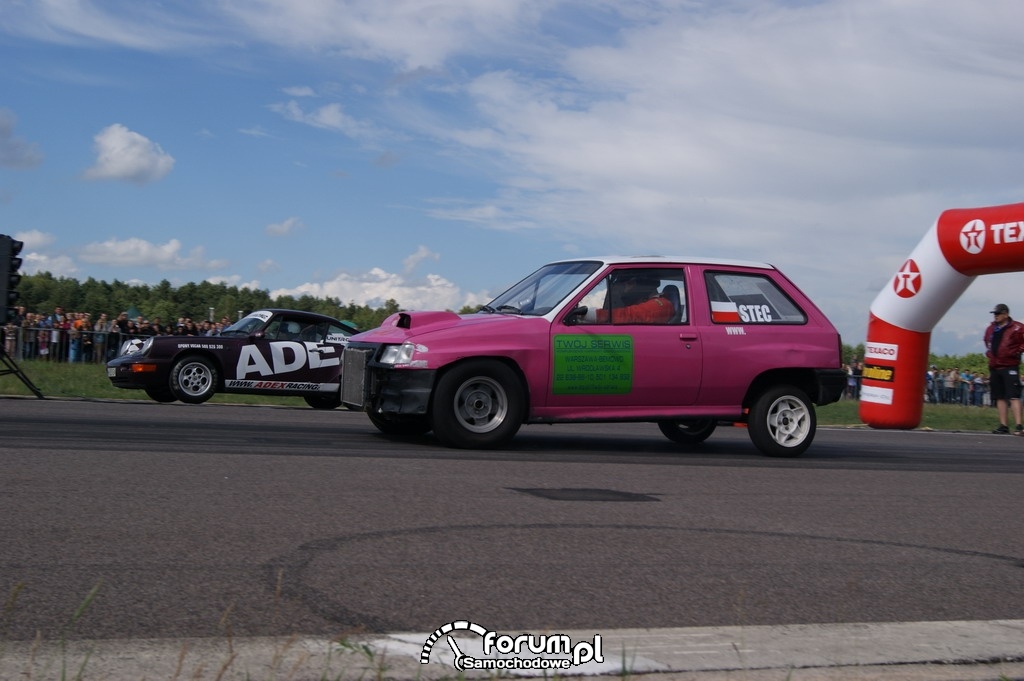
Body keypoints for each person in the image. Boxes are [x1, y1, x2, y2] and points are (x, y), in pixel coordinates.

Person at [983, 303, 1024, 434]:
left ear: (1006, 314)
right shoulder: (991, 328)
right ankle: (1003, 425)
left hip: (1009, 365)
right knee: (999, 396)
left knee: (1013, 395)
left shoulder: (1017, 327)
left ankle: (1019, 425)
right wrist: (990, 353)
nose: (996, 316)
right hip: (995, 365)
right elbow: (986, 340)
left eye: (998, 314)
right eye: (995, 314)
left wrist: (1017, 351)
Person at [596, 273, 675, 324]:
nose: (624, 289)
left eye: (629, 284)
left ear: (641, 283)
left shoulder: (662, 305)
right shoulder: (642, 303)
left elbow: (631, 315)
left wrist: (596, 315)